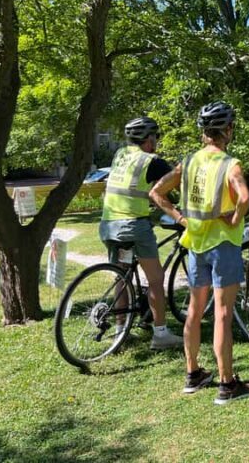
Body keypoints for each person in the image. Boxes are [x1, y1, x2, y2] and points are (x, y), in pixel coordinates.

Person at [150, 102, 249, 404]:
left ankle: (193, 373)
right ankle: (227, 384)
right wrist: (236, 218)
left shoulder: (189, 162)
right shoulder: (229, 164)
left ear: (204, 132)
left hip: (196, 245)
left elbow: (156, 192)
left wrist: (181, 219)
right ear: (228, 130)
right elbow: (245, 197)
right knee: (223, 314)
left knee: (195, 312)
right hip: (223, 246)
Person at [99, 116, 182, 350]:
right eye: (155, 136)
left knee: (121, 276)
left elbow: (132, 187)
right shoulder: (151, 161)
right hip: (133, 226)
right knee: (156, 279)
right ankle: (161, 334)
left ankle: (119, 331)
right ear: (149, 138)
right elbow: (176, 181)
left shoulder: (121, 154)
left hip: (108, 225)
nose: (156, 140)